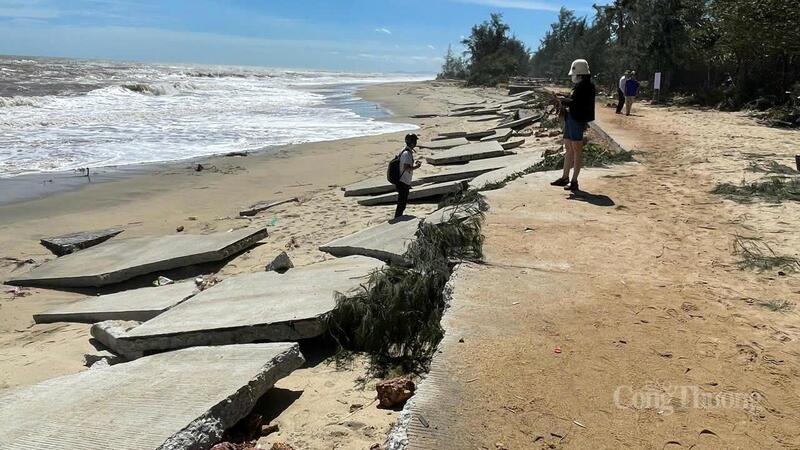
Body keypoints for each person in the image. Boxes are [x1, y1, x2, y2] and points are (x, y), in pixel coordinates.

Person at [550, 59, 596, 192]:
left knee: (576, 149)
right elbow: (574, 99)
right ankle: (565, 177)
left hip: (577, 119)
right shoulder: (580, 86)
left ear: (580, 74)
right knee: (568, 147)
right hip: (571, 118)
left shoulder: (587, 87)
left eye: (574, 74)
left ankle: (574, 181)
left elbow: (578, 103)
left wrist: (563, 101)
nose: (572, 77)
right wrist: (564, 98)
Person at [394, 133, 422, 219]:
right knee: (401, 203)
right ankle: (397, 218)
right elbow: (407, 168)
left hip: (402, 180)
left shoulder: (405, 151)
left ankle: (398, 217)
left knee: (402, 202)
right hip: (403, 181)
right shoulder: (407, 153)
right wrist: (417, 167)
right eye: (415, 141)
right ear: (412, 142)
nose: (416, 143)